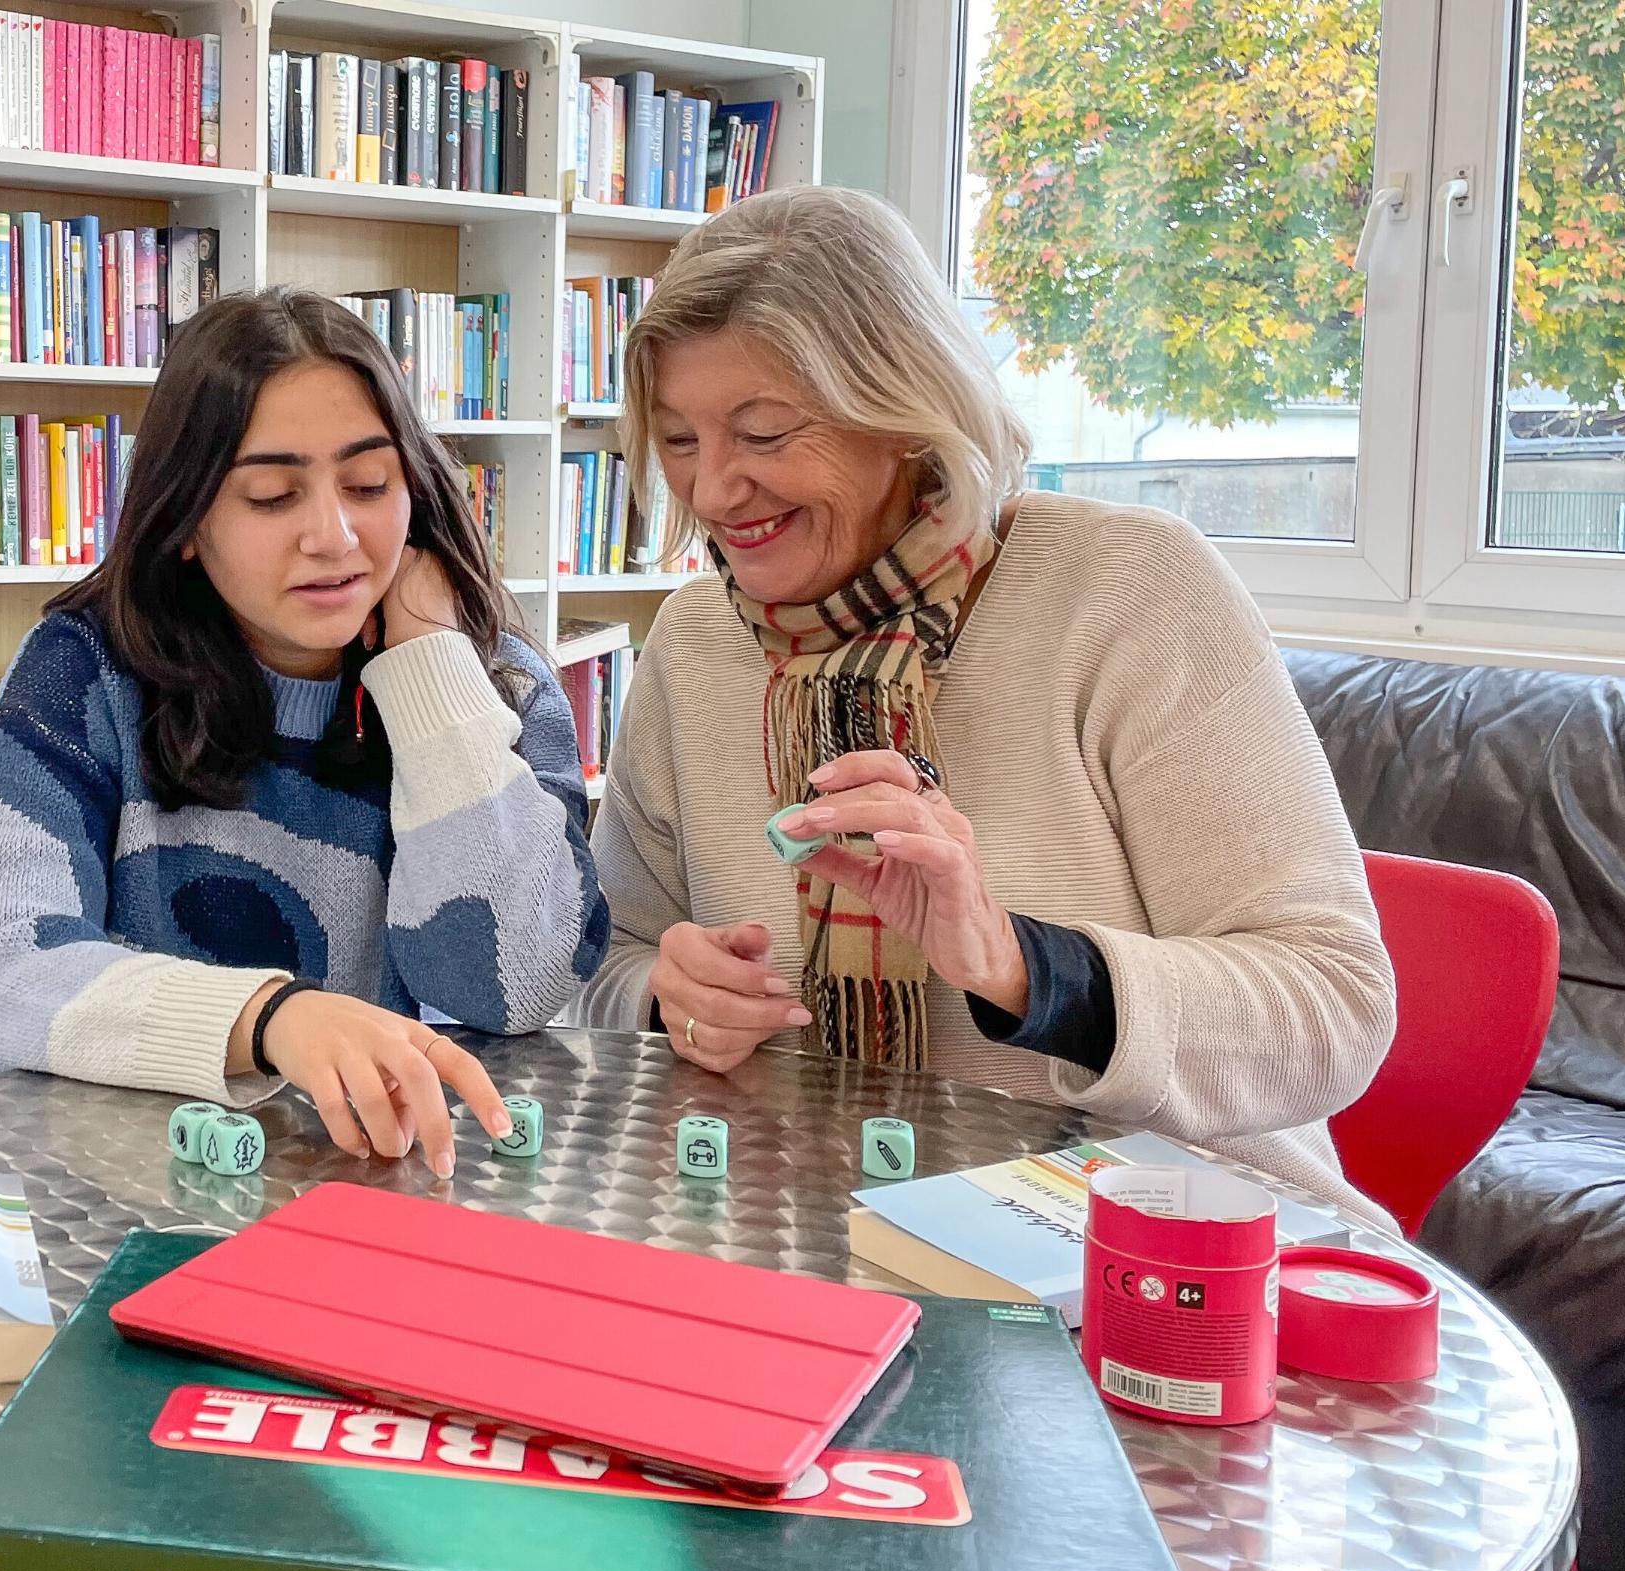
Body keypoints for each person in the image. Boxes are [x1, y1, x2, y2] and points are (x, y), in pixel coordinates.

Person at [577, 187, 1397, 1219]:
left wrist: (1021, 966)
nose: (711, 492)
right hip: (817, 1238)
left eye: (763, 432)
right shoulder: (695, 641)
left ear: (905, 412)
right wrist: (667, 995)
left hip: (1165, 1261)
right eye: (680, 441)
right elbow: (604, 957)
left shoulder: (1129, 589)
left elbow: (1331, 1008)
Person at [0, 287, 608, 1178]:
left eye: (370, 485)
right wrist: (271, 1018)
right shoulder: (85, 670)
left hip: (407, 1190)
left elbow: (514, 985)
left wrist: (427, 674)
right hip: (146, 1195)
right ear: (186, 521)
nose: (333, 537)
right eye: (271, 496)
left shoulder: (492, 681)